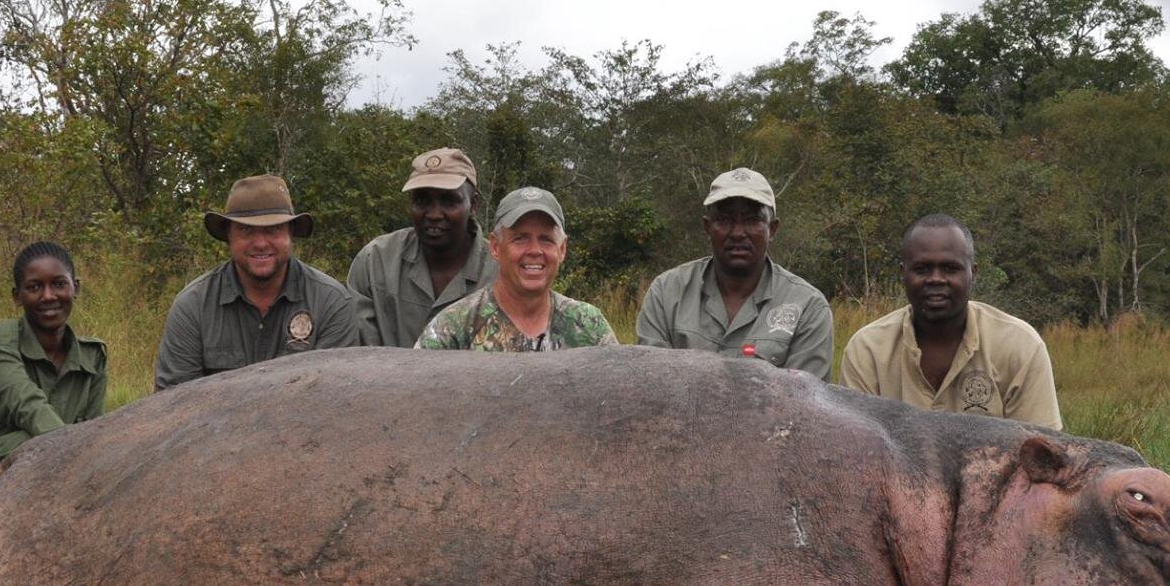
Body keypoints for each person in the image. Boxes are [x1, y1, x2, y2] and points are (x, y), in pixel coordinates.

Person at [0, 241, 108, 534]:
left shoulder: (93, 356)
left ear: (76, 288)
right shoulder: (0, 340)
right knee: (26, 442)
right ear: (17, 296)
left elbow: (94, 430)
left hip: (63, 478)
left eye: (59, 284)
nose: (49, 296)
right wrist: (75, 454)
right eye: (35, 287)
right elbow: (25, 403)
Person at [839, 214, 1061, 429]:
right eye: (922, 269)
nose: (936, 279)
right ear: (903, 273)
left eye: (950, 268)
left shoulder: (1020, 345)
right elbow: (858, 451)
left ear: (973, 273)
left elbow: (1040, 453)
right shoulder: (866, 350)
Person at [154, 174, 361, 390]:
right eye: (246, 230)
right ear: (229, 236)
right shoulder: (193, 306)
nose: (261, 243)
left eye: (273, 230)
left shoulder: (331, 303)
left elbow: (337, 400)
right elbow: (172, 405)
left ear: (291, 234)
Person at [635, 166, 833, 378]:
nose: (738, 233)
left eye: (752, 220)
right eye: (724, 220)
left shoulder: (808, 307)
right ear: (707, 227)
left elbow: (804, 403)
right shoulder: (666, 293)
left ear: (772, 229)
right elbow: (651, 385)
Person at [417, 186, 618, 352]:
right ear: (495, 247)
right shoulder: (454, 327)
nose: (534, 251)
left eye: (546, 239)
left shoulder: (589, 325)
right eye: (520, 239)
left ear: (562, 249)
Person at [346, 147, 496, 347]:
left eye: (449, 201)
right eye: (422, 201)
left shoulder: (501, 270)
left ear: (473, 205)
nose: (434, 214)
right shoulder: (375, 261)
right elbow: (358, 353)